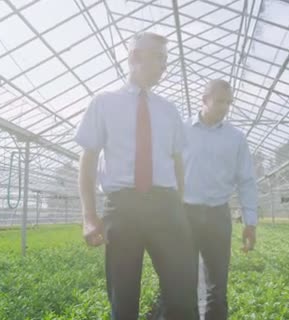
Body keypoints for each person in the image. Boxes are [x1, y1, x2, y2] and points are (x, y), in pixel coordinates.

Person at [74, 32, 199, 320]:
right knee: (123, 299)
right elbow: (88, 158)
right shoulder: (104, 103)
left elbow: (177, 160)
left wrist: (180, 204)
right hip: (123, 207)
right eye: (160, 58)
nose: (165, 66)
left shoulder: (169, 110)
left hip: (166, 206)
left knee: (182, 295)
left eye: (166, 59)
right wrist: (89, 216)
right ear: (135, 57)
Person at [183, 79, 258, 320]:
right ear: (204, 100)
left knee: (218, 285)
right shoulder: (181, 130)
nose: (225, 107)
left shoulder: (235, 138)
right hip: (185, 214)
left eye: (229, 102)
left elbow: (246, 181)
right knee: (183, 284)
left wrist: (250, 222)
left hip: (218, 215)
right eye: (220, 101)